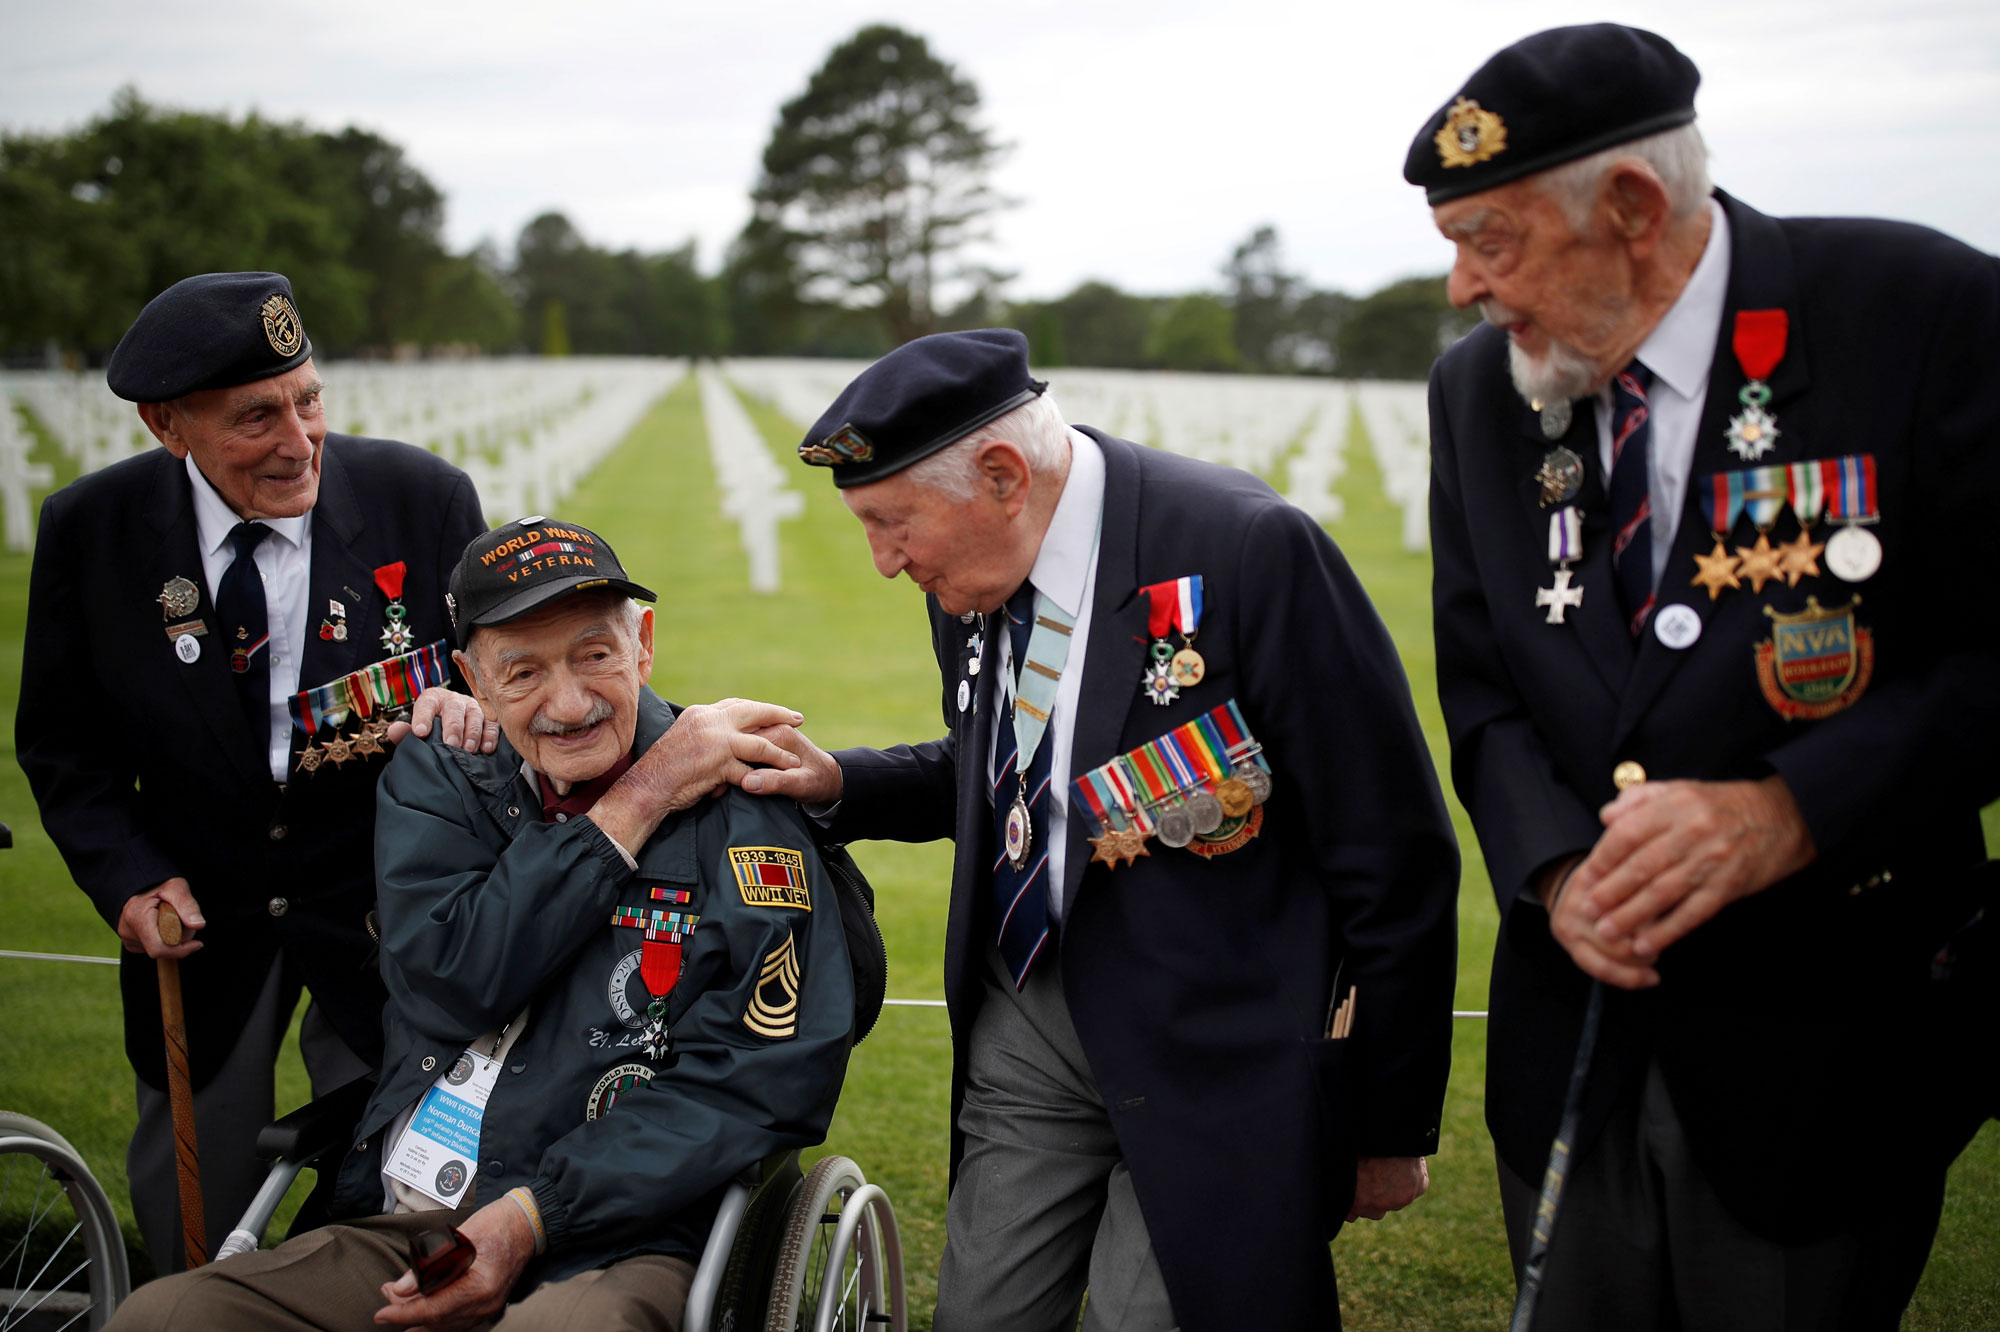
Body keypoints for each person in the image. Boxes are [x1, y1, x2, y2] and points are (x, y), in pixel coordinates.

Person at [1409, 24, 2000, 1329]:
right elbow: (1483, 687)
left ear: (1631, 208)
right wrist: (1557, 870)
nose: (1461, 288)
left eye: (1490, 242)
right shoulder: (1479, 396)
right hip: (1572, 1031)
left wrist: (1792, 807)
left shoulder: (1924, 315)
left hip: (1827, 1048)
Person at [744, 329, 1460, 1331]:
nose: (882, 562)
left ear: (1000, 475)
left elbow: (1390, 845)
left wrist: (1388, 1117)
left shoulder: (1246, 548)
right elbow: (1020, 765)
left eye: (890, 523)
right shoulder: (970, 573)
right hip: (1026, 1015)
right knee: (980, 1312)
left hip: (1213, 1047)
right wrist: (842, 785)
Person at [105, 517, 855, 1331]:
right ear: (472, 678)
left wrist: (535, 1214)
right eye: (522, 670)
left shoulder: (746, 808)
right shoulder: (445, 773)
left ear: (643, 644)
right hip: (411, 1220)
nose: (568, 704)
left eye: (595, 655)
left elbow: (760, 1076)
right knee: (170, 1317)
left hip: (619, 1232)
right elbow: (450, 985)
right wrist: (634, 804)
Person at [16, 271, 494, 1271]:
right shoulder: (91, 531)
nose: (296, 439)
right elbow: (65, 746)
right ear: (167, 423)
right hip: (198, 923)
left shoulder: (424, 501)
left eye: (307, 400)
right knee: (192, 1198)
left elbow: (496, 694)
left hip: (384, 913)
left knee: (393, 1192)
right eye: (255, 417)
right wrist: (126, 876)